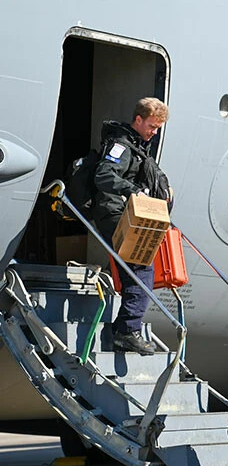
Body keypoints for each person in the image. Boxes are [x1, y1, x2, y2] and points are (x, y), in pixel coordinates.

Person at [92, 97, 171, 355]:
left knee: (137, 265)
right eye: (151, 126)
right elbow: (104, 175)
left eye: (157, 128)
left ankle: (126, 327)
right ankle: (127, 330)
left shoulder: (138, 145)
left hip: (123, 212)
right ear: (138, 120)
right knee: (141, 264)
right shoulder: (121, 146)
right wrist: (135, 191)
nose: (154, 132)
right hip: (113, 212)